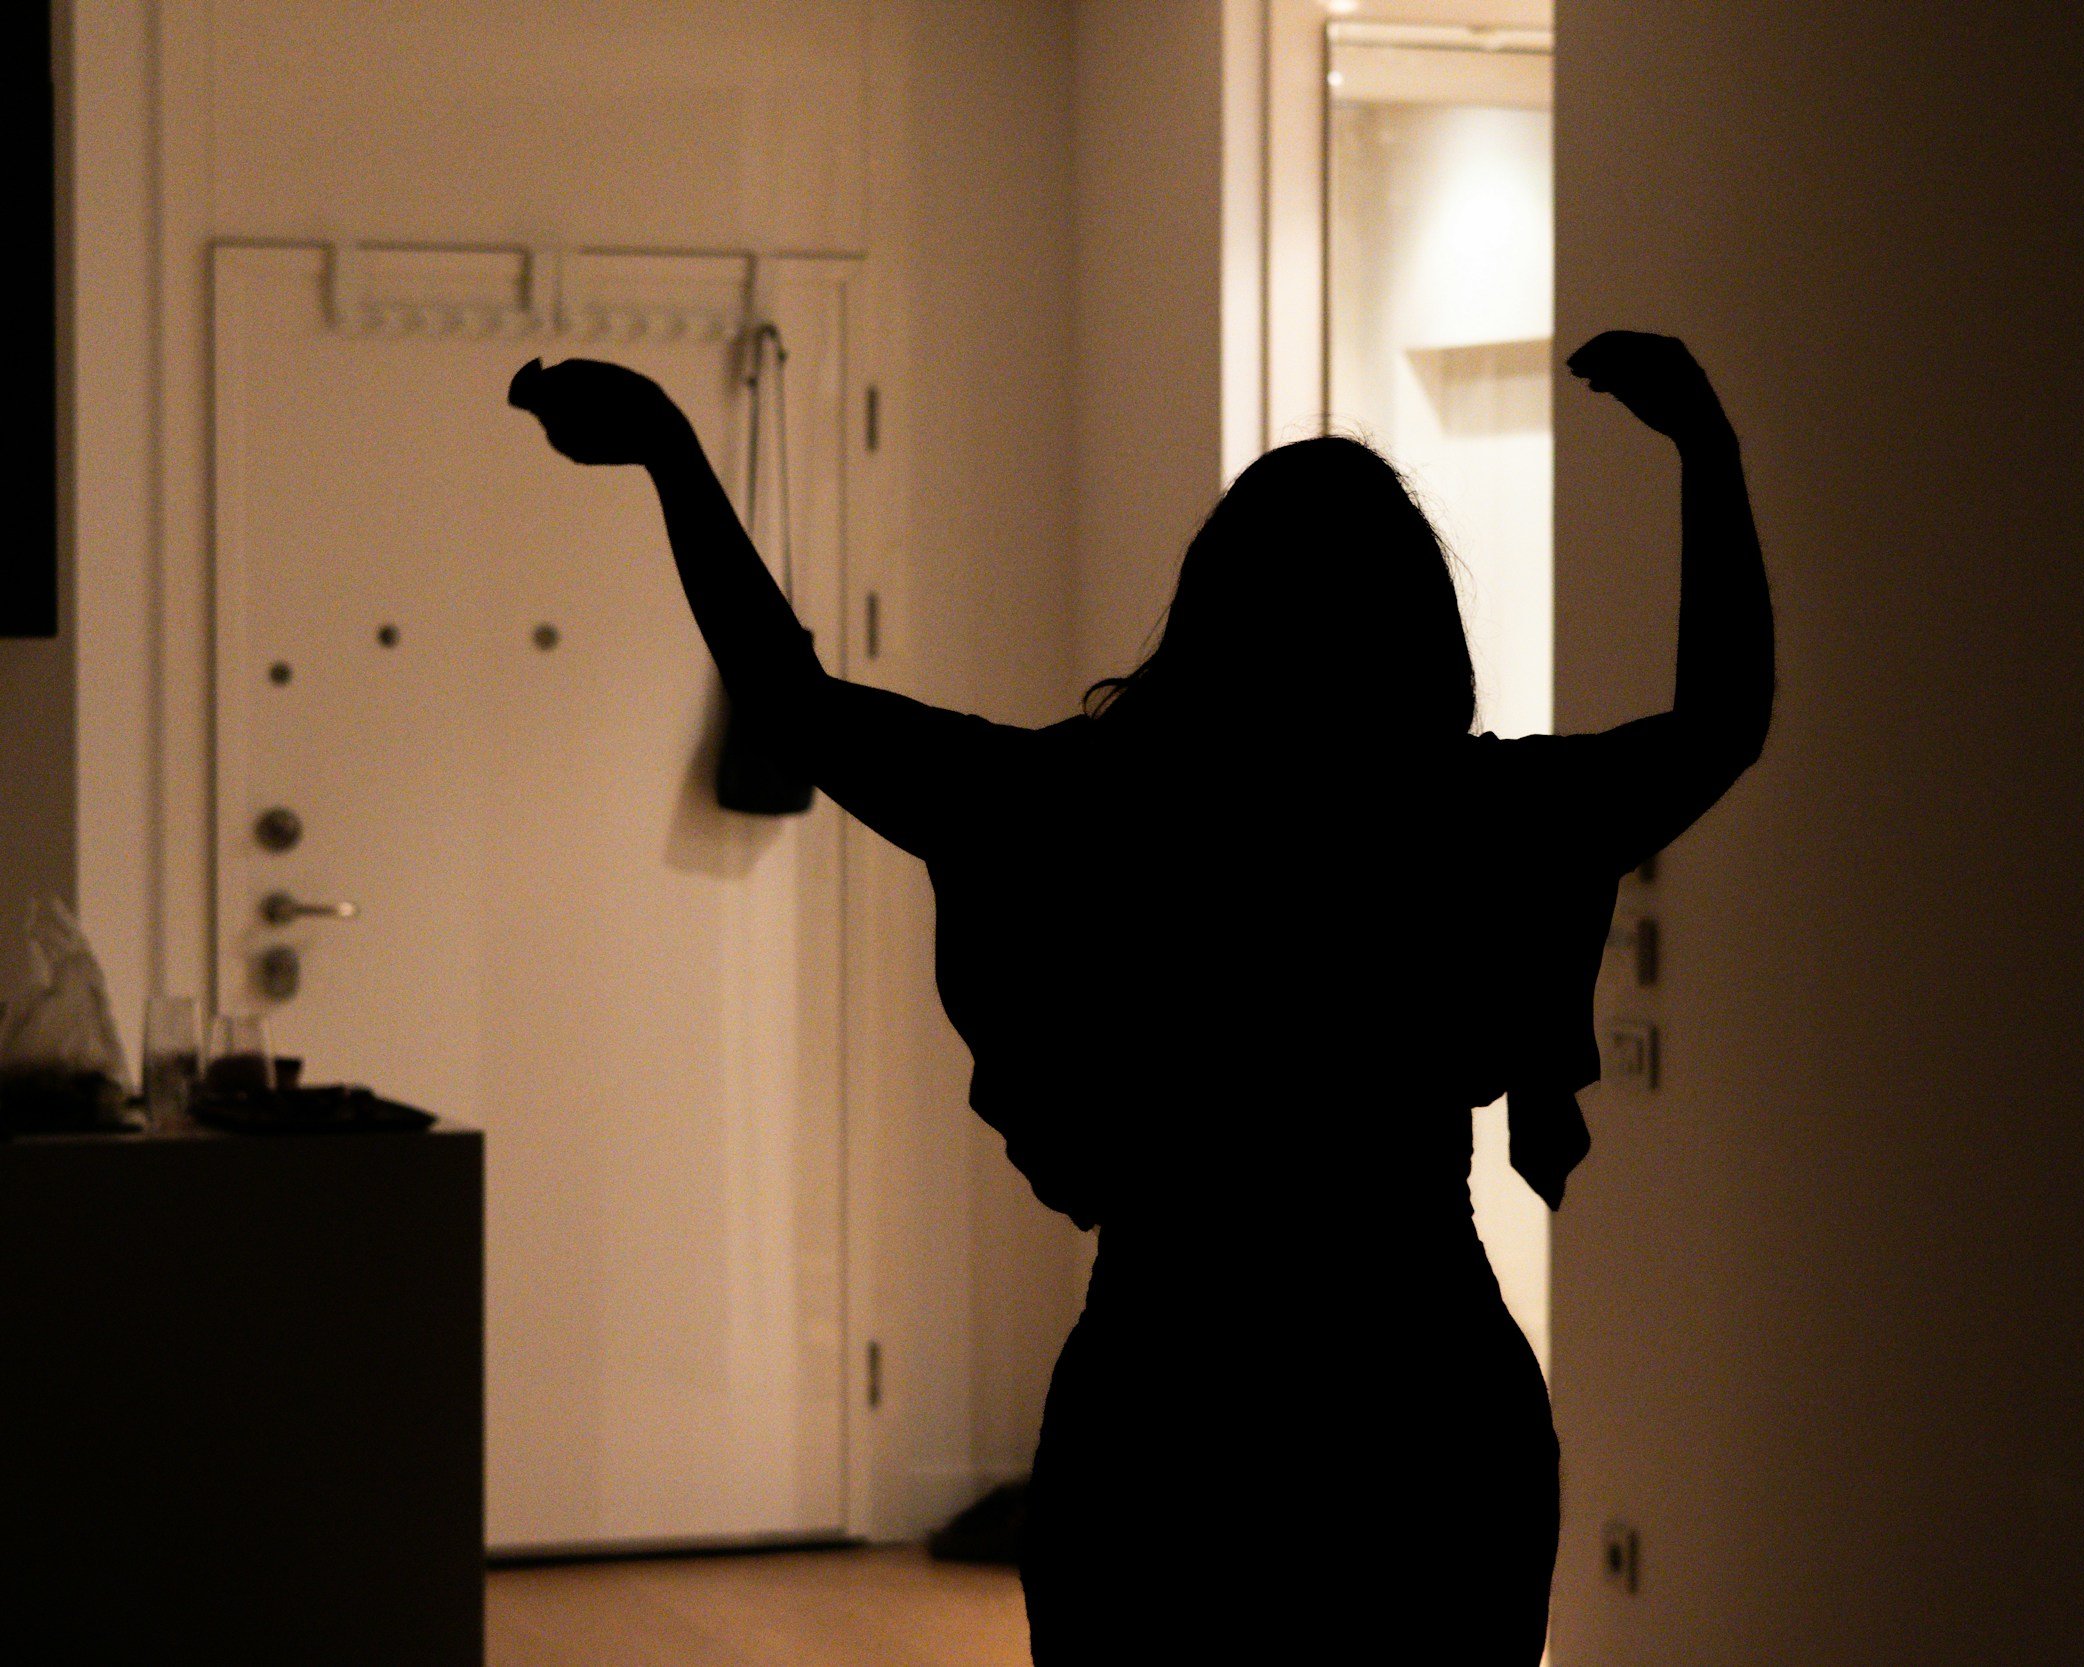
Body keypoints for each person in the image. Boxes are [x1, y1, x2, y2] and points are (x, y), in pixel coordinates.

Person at [511, 328, 1772, 1665]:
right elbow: (1721, 723)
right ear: (1420, 630)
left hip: (1165, 1405)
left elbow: (792, 700)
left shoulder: (1080, 805)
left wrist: (672, 453)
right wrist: (1705, 445)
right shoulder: (1479, 816)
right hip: (1424, 1401)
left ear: (1207, 613)